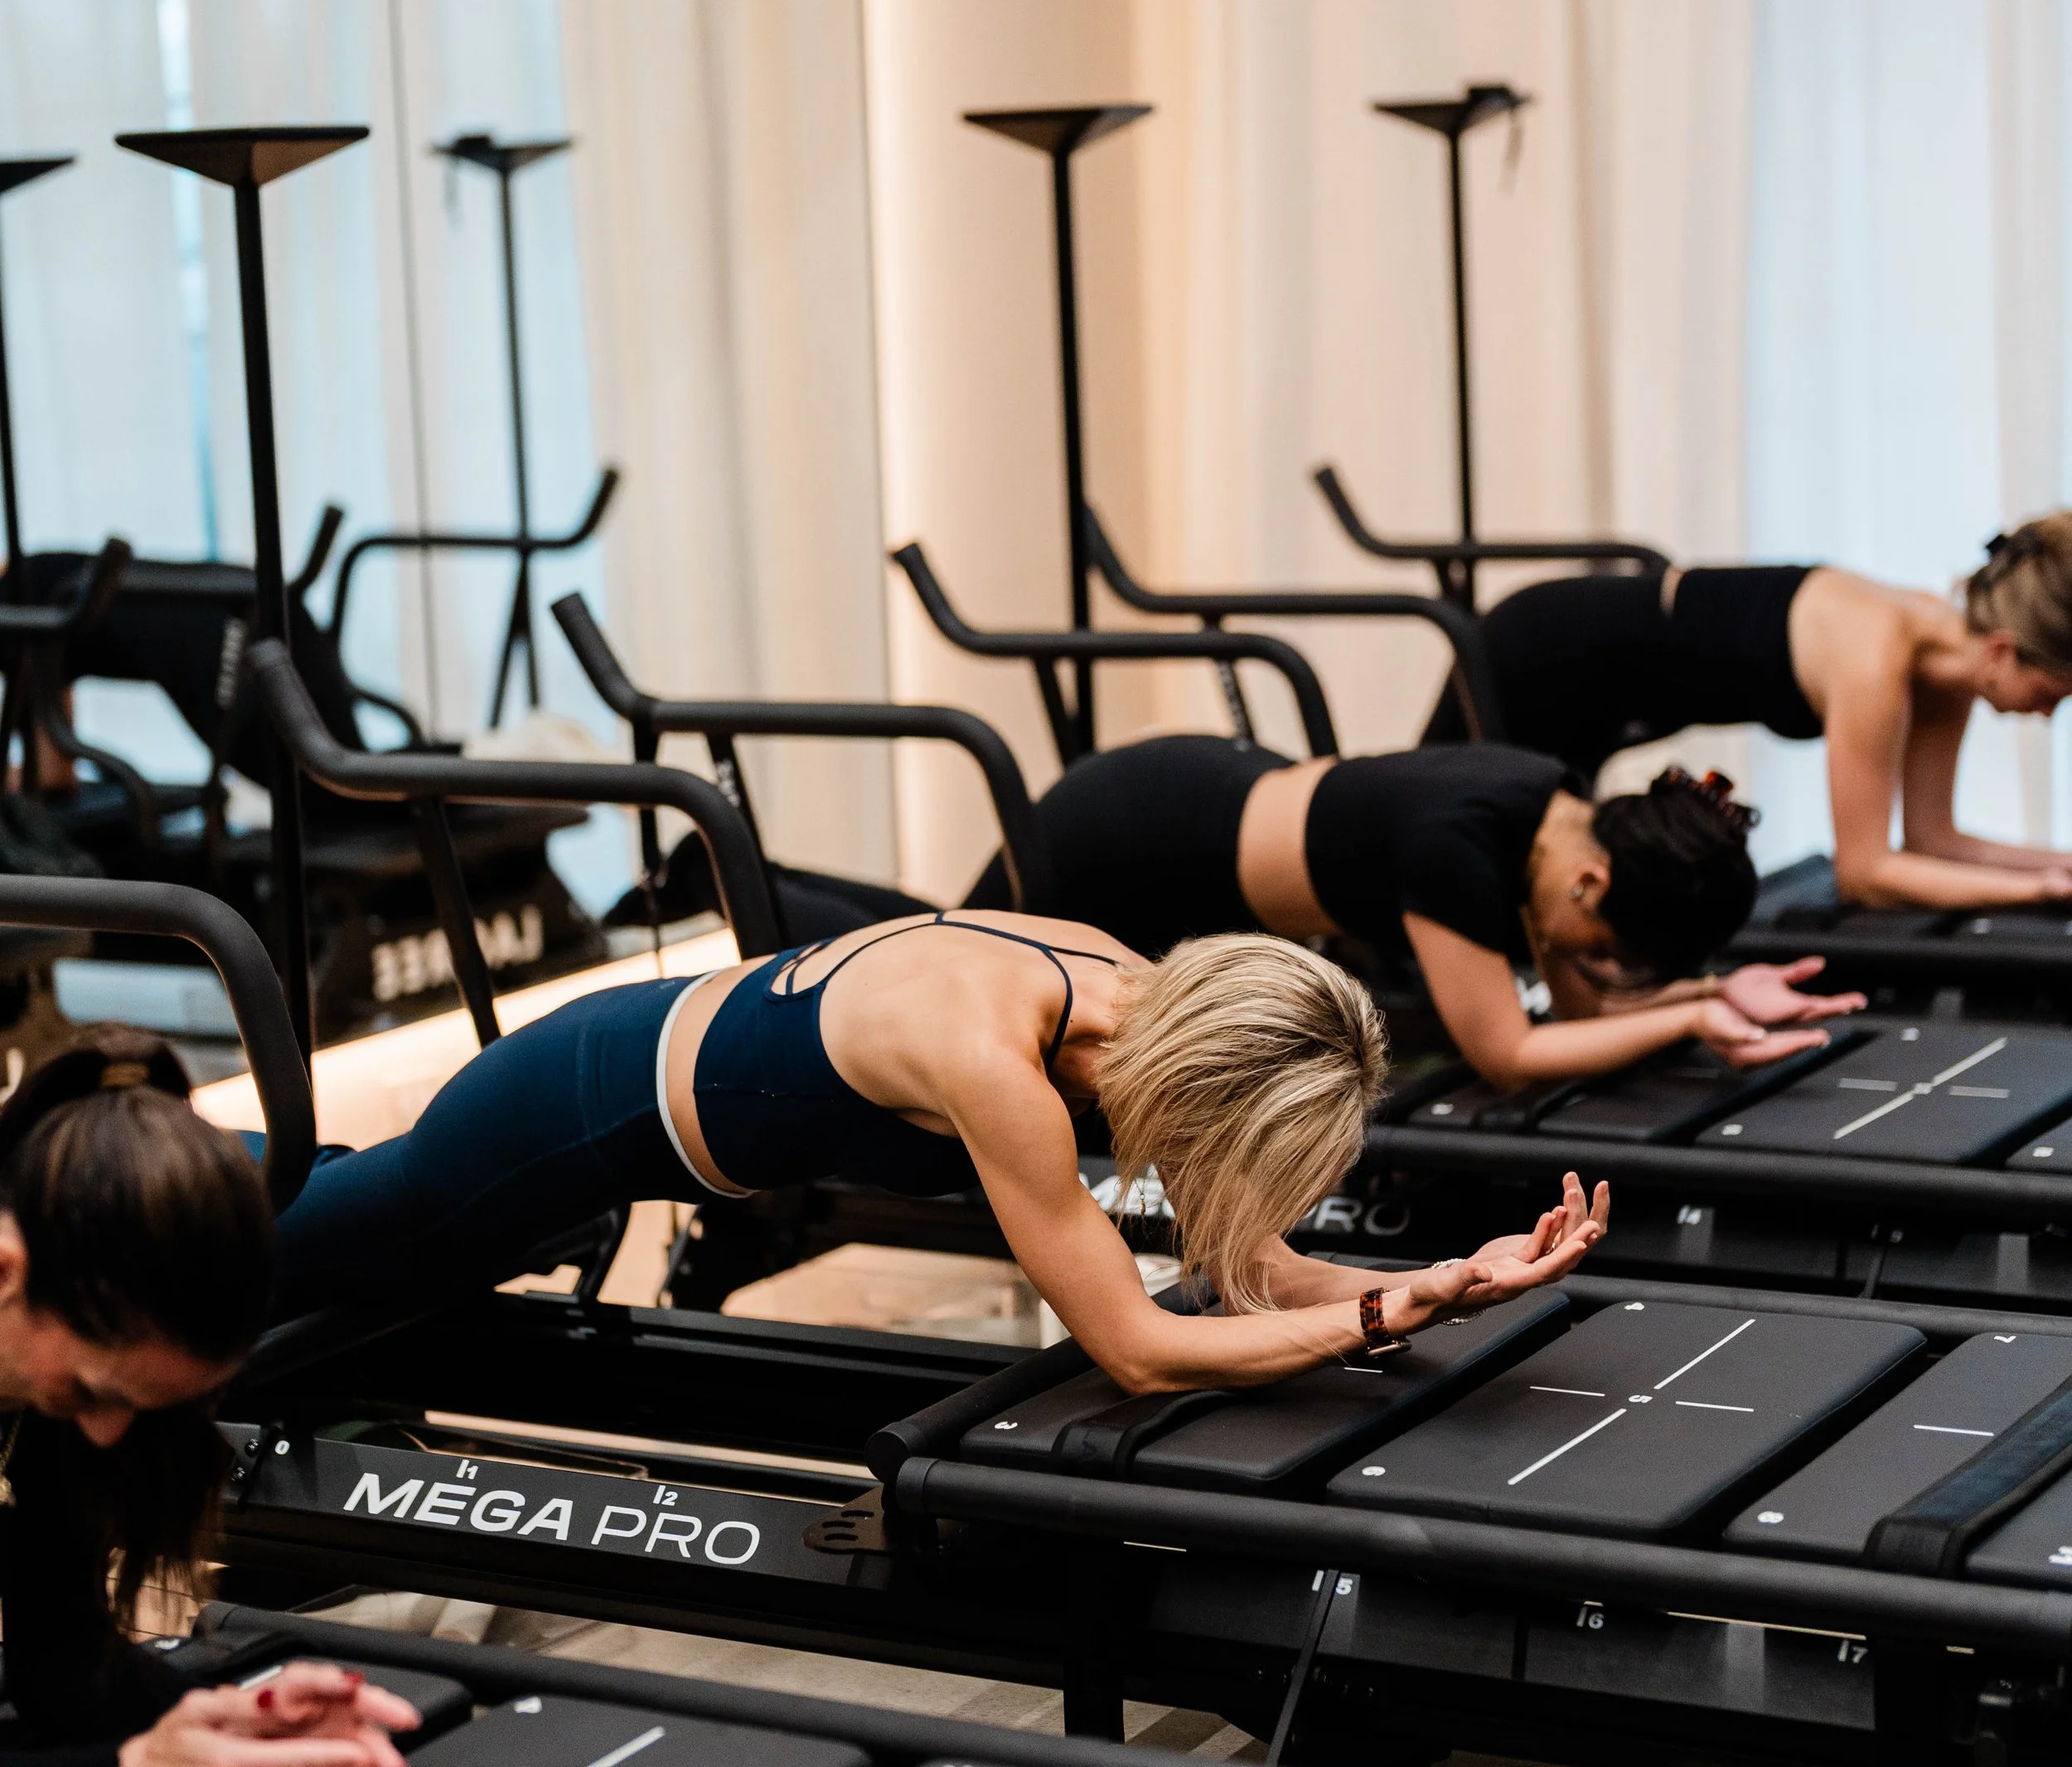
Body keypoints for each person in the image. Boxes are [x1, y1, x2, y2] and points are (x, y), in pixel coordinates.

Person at [271, 917, 1610, 1393]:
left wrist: (1446, 1277)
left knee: (406, 1257)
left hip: (657, 1088)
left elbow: (1242, 1266)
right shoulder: (1001, 1064)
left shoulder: (1139, 1005)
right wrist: (1381, 1310)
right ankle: (113, 1219)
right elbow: (1141, 1350)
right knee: (352, 1241)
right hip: (584, 1103)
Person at [0, 1034, 419, 1767]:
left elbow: (62, 1667)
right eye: (95, 1389)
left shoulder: (51, 1390)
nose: (106, 1430)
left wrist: (221, 1712)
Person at [963, 737, 1858, 1092]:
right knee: (947, 962)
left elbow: (1580, 1013)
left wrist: (1709, 996)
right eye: (1609, 946)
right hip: (1124, 838)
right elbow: (1509, 1054)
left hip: (1195, 807)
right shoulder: (1462, 852)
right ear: (1593, 885)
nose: (1595, 962)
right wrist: (1693, 1013)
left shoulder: (1558, 816)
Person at [1430, 521, 2072, 911]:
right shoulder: (1875, 659)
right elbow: (1866, 873)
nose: (2048, 714)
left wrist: (2056, 867)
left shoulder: (1948, 671)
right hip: (1540, 649)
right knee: (1448, 846)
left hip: (1613, 695)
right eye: (2052, 691)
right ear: (2002, 651)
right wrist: (2032, 892)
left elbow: (1935, 841)